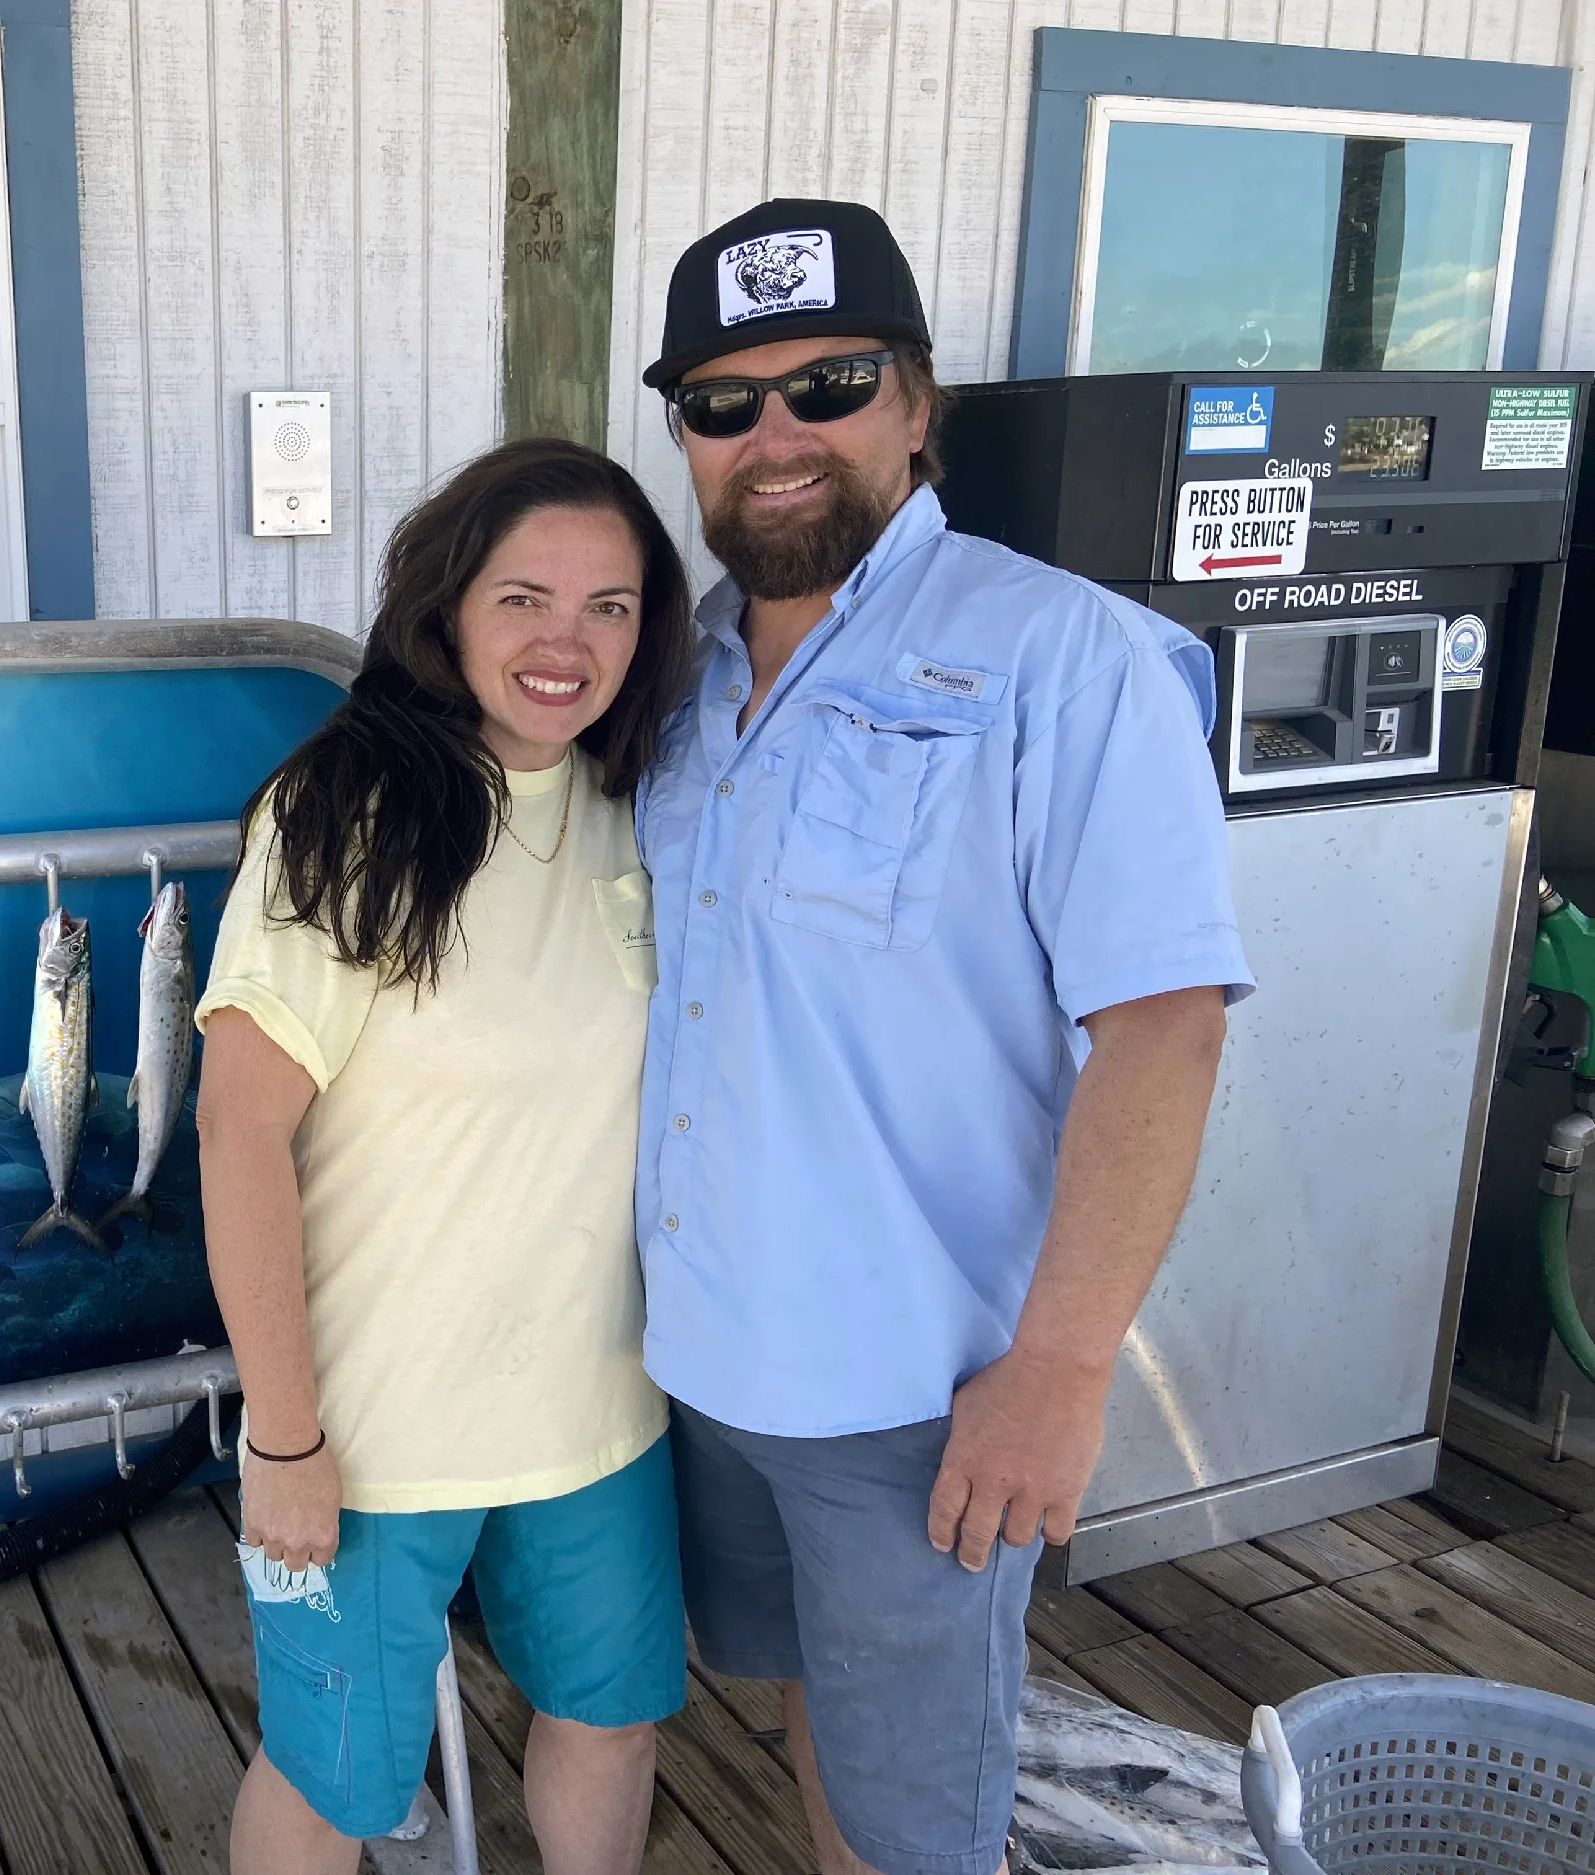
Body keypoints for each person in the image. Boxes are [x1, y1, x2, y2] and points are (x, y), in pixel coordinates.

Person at [633, 199, 1254, 1875]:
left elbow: (1166, 1028)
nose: (775, 437)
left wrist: (1055, 1371)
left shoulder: (1066, 657)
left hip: (921, 1398)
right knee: (808, 1714)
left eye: (826, 383)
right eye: (721, 400)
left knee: (924, 1819)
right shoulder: (667, 680)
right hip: (693, 1365)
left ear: (917, 403)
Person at [197, 436, 695, 1875]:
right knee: (332, 1778)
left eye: (611, 606)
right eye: (525, 596)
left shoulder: (632, 805)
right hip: (370, 1440)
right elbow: (239, 1129)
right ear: (447, 606)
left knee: (610, 1717)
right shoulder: (344, 813)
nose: (568, 642)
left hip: (600, 1410)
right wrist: (284, 1435)